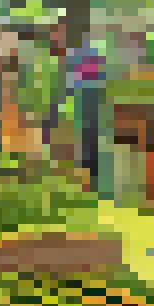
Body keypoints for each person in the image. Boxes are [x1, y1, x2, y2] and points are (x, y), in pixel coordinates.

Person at [68, 29, 109, 194]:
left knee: (87, 141)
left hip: (87, 99)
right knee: (90, 141)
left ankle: (89, 180)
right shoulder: (94, 54)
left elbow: (73, 79)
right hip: (92, 100)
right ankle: (91, 180)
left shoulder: (79, 54)